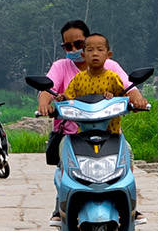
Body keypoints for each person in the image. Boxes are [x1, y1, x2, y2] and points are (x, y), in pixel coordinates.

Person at [39, 20, 127, 167]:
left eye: (78, 44)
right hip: (73, 135)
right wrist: (44, 104)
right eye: (68, 46)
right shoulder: (68, 72)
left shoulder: (112, 71)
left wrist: (138, 101)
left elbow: (128, 89)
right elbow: (49, 90)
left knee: (127, 156)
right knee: (66, 164)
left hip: (110, 133)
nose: (74, 50)